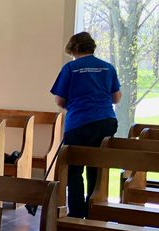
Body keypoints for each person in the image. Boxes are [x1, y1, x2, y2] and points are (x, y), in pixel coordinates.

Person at [50, 31, 121, 218]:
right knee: (96, 168)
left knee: (74, 170)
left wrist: (73, 105)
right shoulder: (108, 68)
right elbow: (116, 97)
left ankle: (76, 212)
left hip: (79, 123)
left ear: (74, 48)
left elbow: (59, 100)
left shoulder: (70, 68)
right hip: (105, 122)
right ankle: (93, 211)